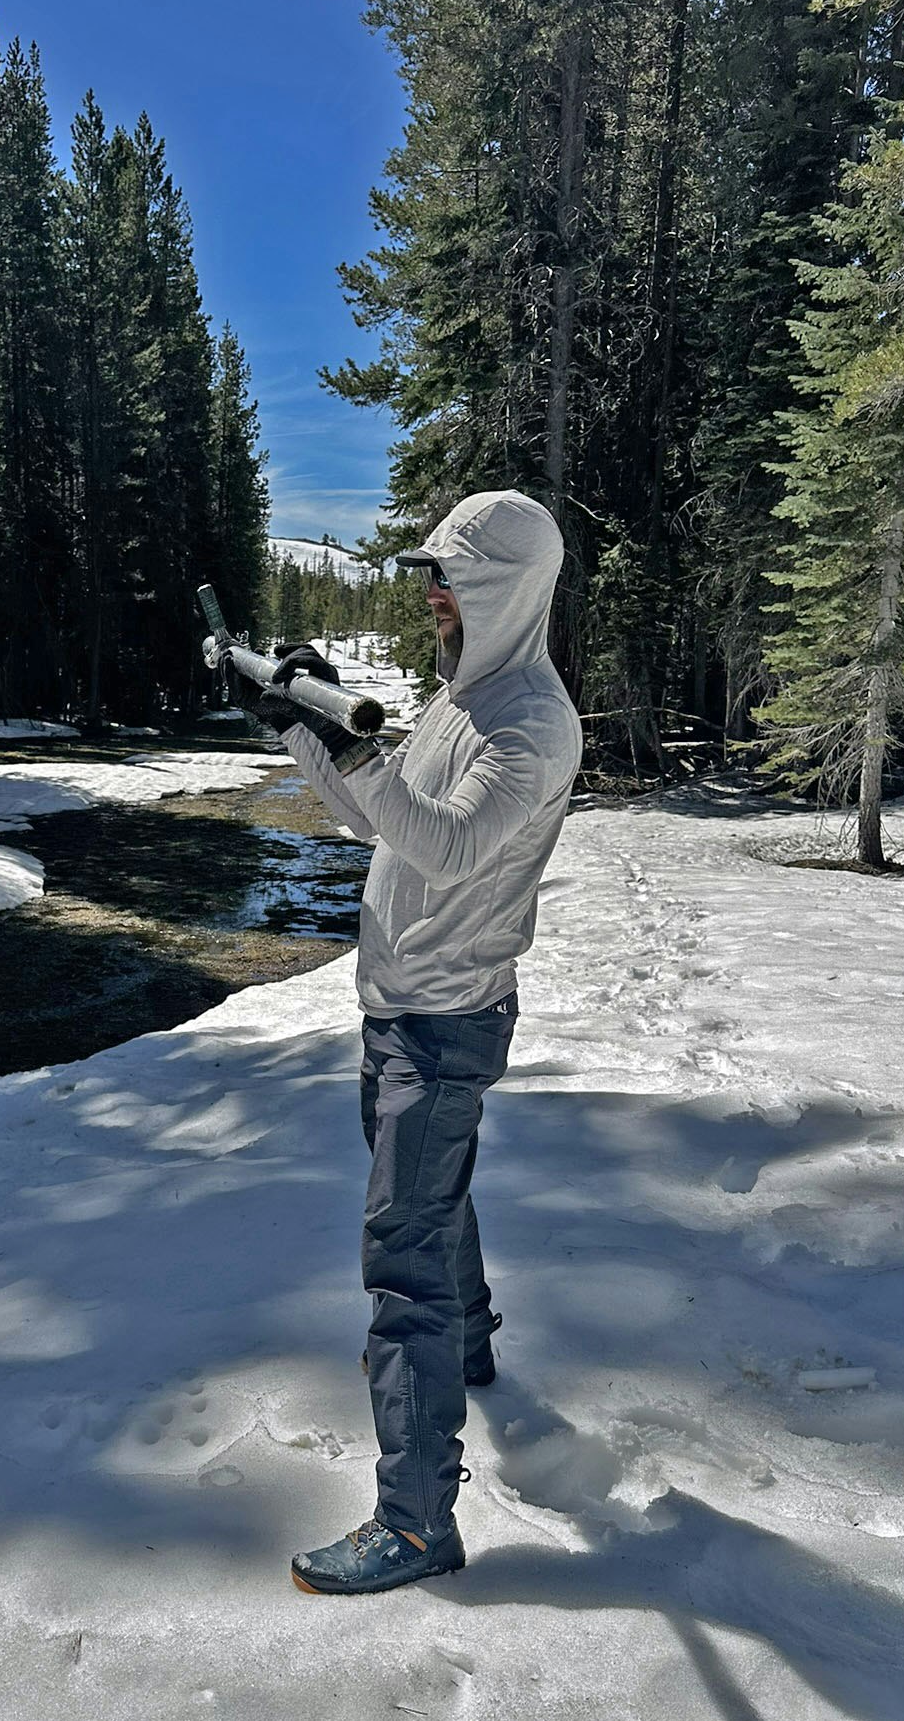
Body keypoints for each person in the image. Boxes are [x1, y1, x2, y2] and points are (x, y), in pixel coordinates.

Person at [224, 490, 582, 1596]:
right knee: (425, 1192)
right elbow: (372, 817)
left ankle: (418, 1524)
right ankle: (467, 1345)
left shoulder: (530, 720)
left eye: (451, 575)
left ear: (506, 587)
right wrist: (296, 723)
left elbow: (450, 846)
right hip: (400, 1004)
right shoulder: (458, 700)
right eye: (428, 574)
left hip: (445, 1016)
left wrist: (354, 743)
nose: (432, 592)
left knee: (402, 1254)